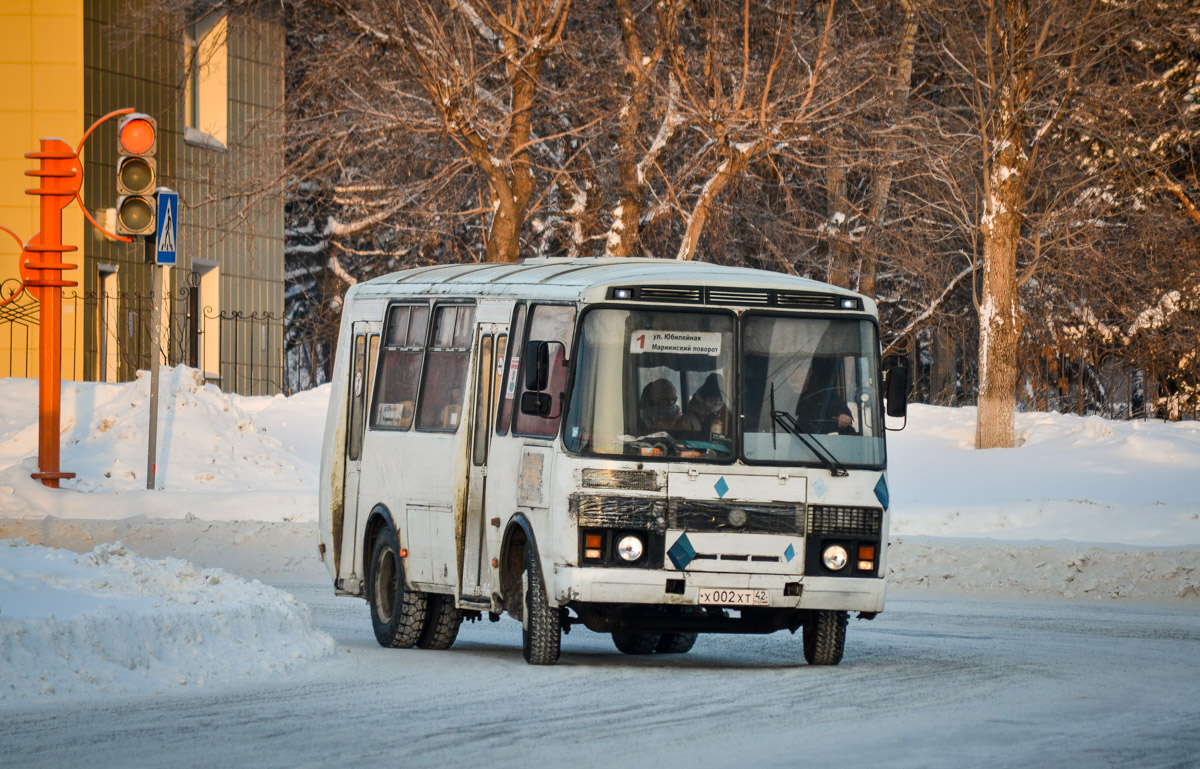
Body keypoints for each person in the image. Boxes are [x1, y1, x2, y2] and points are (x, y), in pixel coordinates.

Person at [783, 359, 854, 434]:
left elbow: (843, 413)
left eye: (796, 369)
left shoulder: (824, 396)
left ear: (809, 372)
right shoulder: (782, 398)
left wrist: (844, 416)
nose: (791, 374)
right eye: (788, 371)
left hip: (819, 442)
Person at [681, 373, 726, 438]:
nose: (717, 403)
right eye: (713, 400)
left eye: (720, 400)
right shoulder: (687, 420)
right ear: (702, 400)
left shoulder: (722, 417)